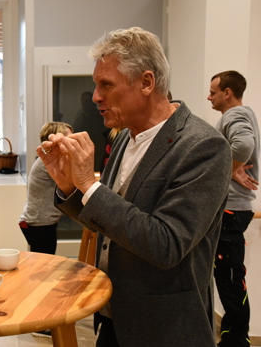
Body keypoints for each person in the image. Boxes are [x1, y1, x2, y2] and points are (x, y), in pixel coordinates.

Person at [37, 27, 232, 347]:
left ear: (146, 82)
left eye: (106, 85)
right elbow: (108, 223)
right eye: (96, 85)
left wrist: (89, 185)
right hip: (115, 317)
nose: (96, 96)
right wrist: (71, 187)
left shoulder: (204, 147)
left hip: (166, 327)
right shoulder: (125, 136)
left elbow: (166, 245)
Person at [208, 70, 259, 347]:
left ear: (227, 93)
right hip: (234, 209)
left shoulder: (233, 115)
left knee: (229, 279)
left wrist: (228, 171)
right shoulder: (244, 114)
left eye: (213, 92)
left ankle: (236, 340)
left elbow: (244, 144)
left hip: (231, 209)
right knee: (229, 277)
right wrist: (232, 169)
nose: (209, 97)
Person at [19, 121, 73, 255]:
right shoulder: (50, 162)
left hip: (37, 220)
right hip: (40, 221)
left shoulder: (47, 159)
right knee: (44, 263)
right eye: (69, 138)